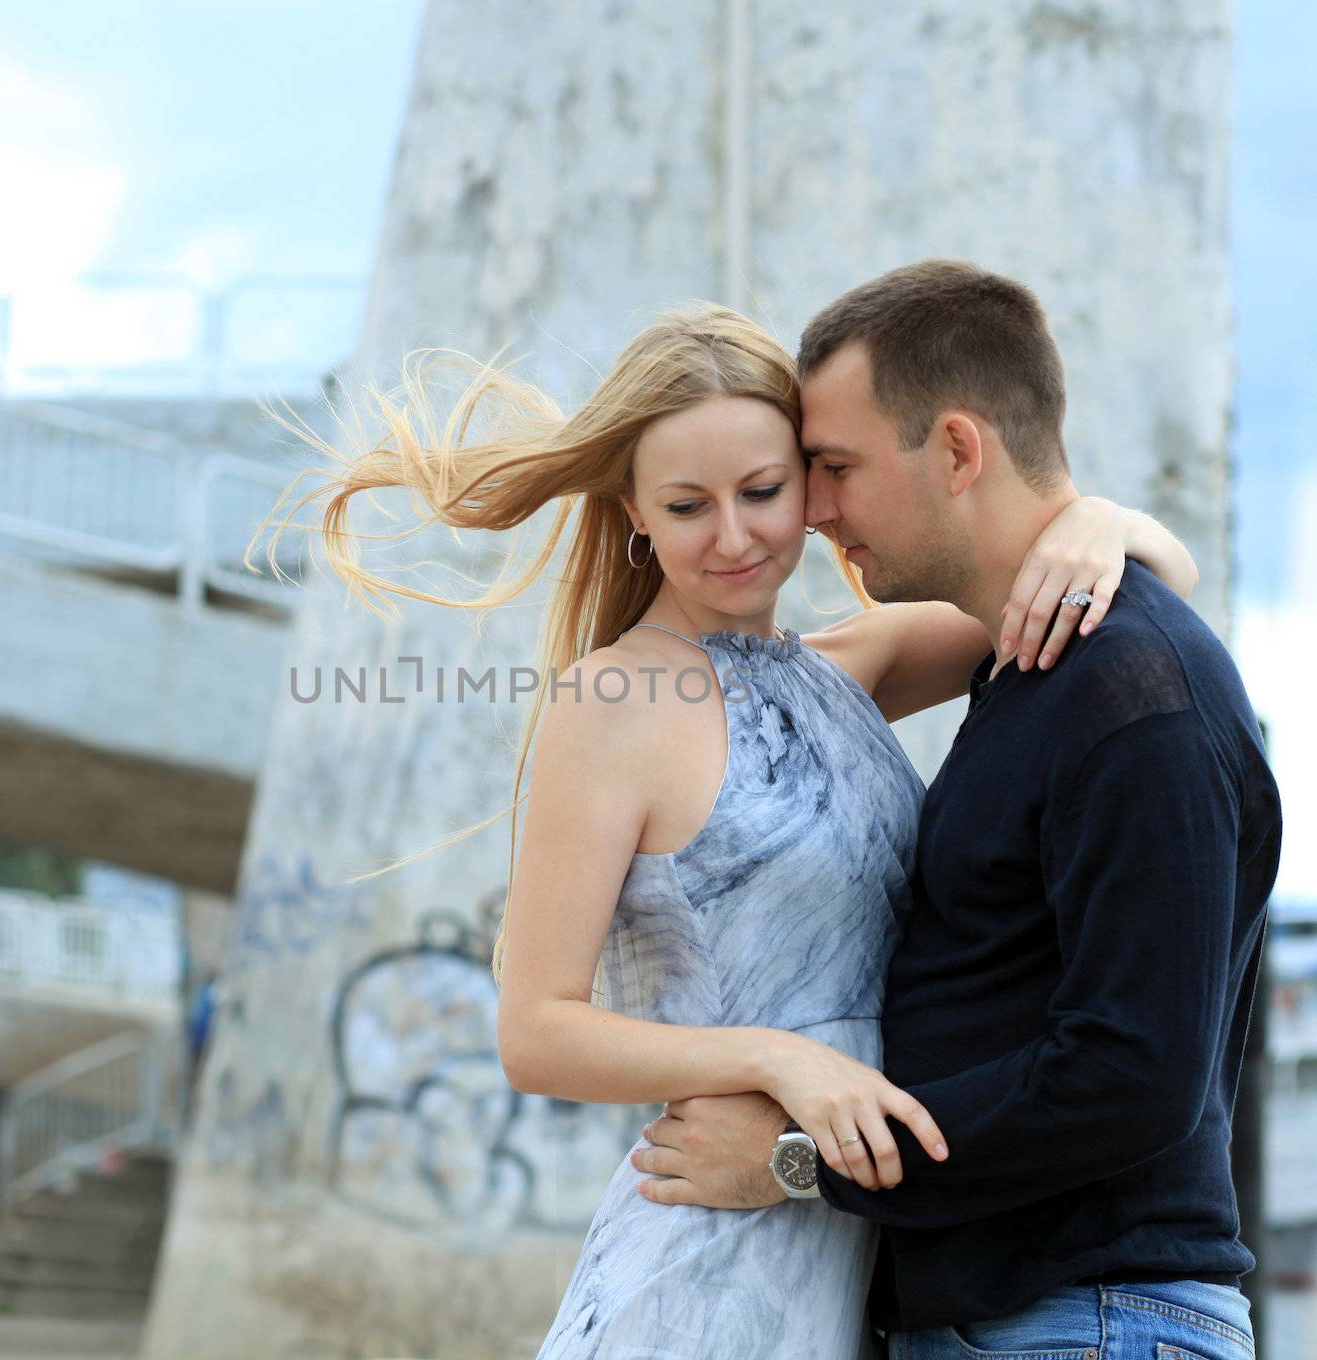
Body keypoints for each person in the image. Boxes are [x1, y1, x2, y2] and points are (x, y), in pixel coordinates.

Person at [284, 300, 1200, 1359]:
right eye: (685, 505)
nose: (731, 536)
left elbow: (1125, 593)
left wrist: (1097, 523)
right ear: (631, 510)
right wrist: (780, 1061)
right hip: (703, 1268)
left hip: (849, 1246)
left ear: (812, 485)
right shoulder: (609, 702)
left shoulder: (849, 668)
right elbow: (534, 1029)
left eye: (762, 491)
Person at [633, 261, 1282, 1359]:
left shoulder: (1135, 699)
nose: (815, 509)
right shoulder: (1038, 660)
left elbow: (1131, 1079)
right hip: (1014, 1324)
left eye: (832, 466)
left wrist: (796, 1161)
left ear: (956, 450)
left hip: (1088, 1324)